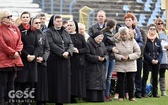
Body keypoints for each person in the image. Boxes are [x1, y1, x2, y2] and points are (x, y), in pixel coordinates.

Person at [45, 15, 74, 105]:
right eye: (57, 21)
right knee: (55, 81)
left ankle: (61, 100)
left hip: (65, 60)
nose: (59, 23)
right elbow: (51, 44)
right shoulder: (49, 31)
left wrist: (68, 52)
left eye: (61, 21)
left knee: (63, 81)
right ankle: (54, 99)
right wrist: (62, 53)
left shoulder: (65, 31)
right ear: (53, 22)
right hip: (54, 60)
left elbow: (70, 43)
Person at [0, 9, 23, 105]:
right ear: (2, 19)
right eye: (8, 17)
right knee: (2, 83)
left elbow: (20, 42)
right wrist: (13, 53)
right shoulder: (1, 29)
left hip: (14, 60)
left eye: (11, 16)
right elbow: (2, 45)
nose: (10, 18)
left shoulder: (15, 28)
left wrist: (17, 51)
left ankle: (11, 102)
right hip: (4, 60)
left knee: (11, 83)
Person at [14, 11, 38, 104]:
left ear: (29, 18)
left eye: (27, 17)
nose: (25, 19)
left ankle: (27, 101)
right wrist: (27, 55)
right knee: (19, 82)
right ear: (21, 18)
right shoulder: (17, 30)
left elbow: (37, 46)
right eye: (23, 17)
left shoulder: (33, 30)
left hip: (32, 60)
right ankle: (15, 101)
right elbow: (18, 45)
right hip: (23, 59)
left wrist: (34, 55)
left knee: (29, 82)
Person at [114, 26, 141, 101]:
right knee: (120, 80)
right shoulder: (116, 41)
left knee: (131, 80)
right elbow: (113, 53)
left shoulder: (133, 40)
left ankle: (131, 96)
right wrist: (120, 57)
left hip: (131, 63)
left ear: (128, 33)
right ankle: (121, 96)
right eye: (122, 34)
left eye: (125, 34)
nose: (124, 36)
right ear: (120, 34)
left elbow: (138, 52)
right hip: (120, 63)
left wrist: (129, 56)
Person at [30, 17, 50, 105]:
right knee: (31, 82)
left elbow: (47, 48)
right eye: (36, 23)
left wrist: (43, 58)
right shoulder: (29, 34)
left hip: (41, 62)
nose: (38, 25)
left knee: (41, 83)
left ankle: (41, 99)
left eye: (39, 23)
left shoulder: (43, 34)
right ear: (32, 24)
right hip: (31, 61)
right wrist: (35, 57)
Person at [67, 20, 88, 103]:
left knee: (76, 80)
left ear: (75, 27)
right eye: (68, 25)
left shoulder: (80, 36)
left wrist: (78, 50)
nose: (69, 27)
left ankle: (75, 95)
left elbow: (86, 49)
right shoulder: (65, 35)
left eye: (71, 25)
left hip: (78, 61)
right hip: (68, 60)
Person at [124, 13, 144, 98]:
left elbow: (141, 42)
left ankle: (138, 92)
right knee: (127, 76)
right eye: (126, 20)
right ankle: (126, 92)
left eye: (129, 20)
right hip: (126, 56)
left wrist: (134, 45)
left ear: (133, 21)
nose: (128, 22)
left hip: (137, 56)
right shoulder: (122, 30)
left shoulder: (137, 30)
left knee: (138, 75)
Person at [85, 32, 108, 102]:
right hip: (91, 66)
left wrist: (104, 58)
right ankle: (92, 98)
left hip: (101, 66)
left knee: (101, 82)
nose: (100, 40)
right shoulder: (88, 44)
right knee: (92, 82)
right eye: (99, 38)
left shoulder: (102, 44)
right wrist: (96, 58)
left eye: (101, 39)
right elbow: (86, 55)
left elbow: (106, 54)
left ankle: (100, 98)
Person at [142, 24, 163, 98]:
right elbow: (143, 53)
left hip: (156, 63)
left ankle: (155, 93)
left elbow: (161, 52)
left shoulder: (158, 40)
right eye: (151, 29)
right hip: (147, 62)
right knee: (145, 77)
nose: (152, 30)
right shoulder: (145, 40)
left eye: (154, 29)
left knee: (155, 78)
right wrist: (151, 60)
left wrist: (158, 60)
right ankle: (143, 93)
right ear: (148, 30)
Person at [101, 19, 118, 101]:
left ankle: (107, 94)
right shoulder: (104, 34)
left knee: (109, 77)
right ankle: (102, 94)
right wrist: (112, 49)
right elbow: (102, 46)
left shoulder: (112, 34)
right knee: (105, 77)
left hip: (112, 58)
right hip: (107, 57)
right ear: (114, 26)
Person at [155, 18, 168, 96]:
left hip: (164, 54)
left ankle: (163, 90)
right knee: (154, 73)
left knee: (162, 73)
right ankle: (153, 90)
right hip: (156, 54)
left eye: (161, 23)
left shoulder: (166, 33)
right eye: (158, 23)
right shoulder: (154, 32)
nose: (160, 25)